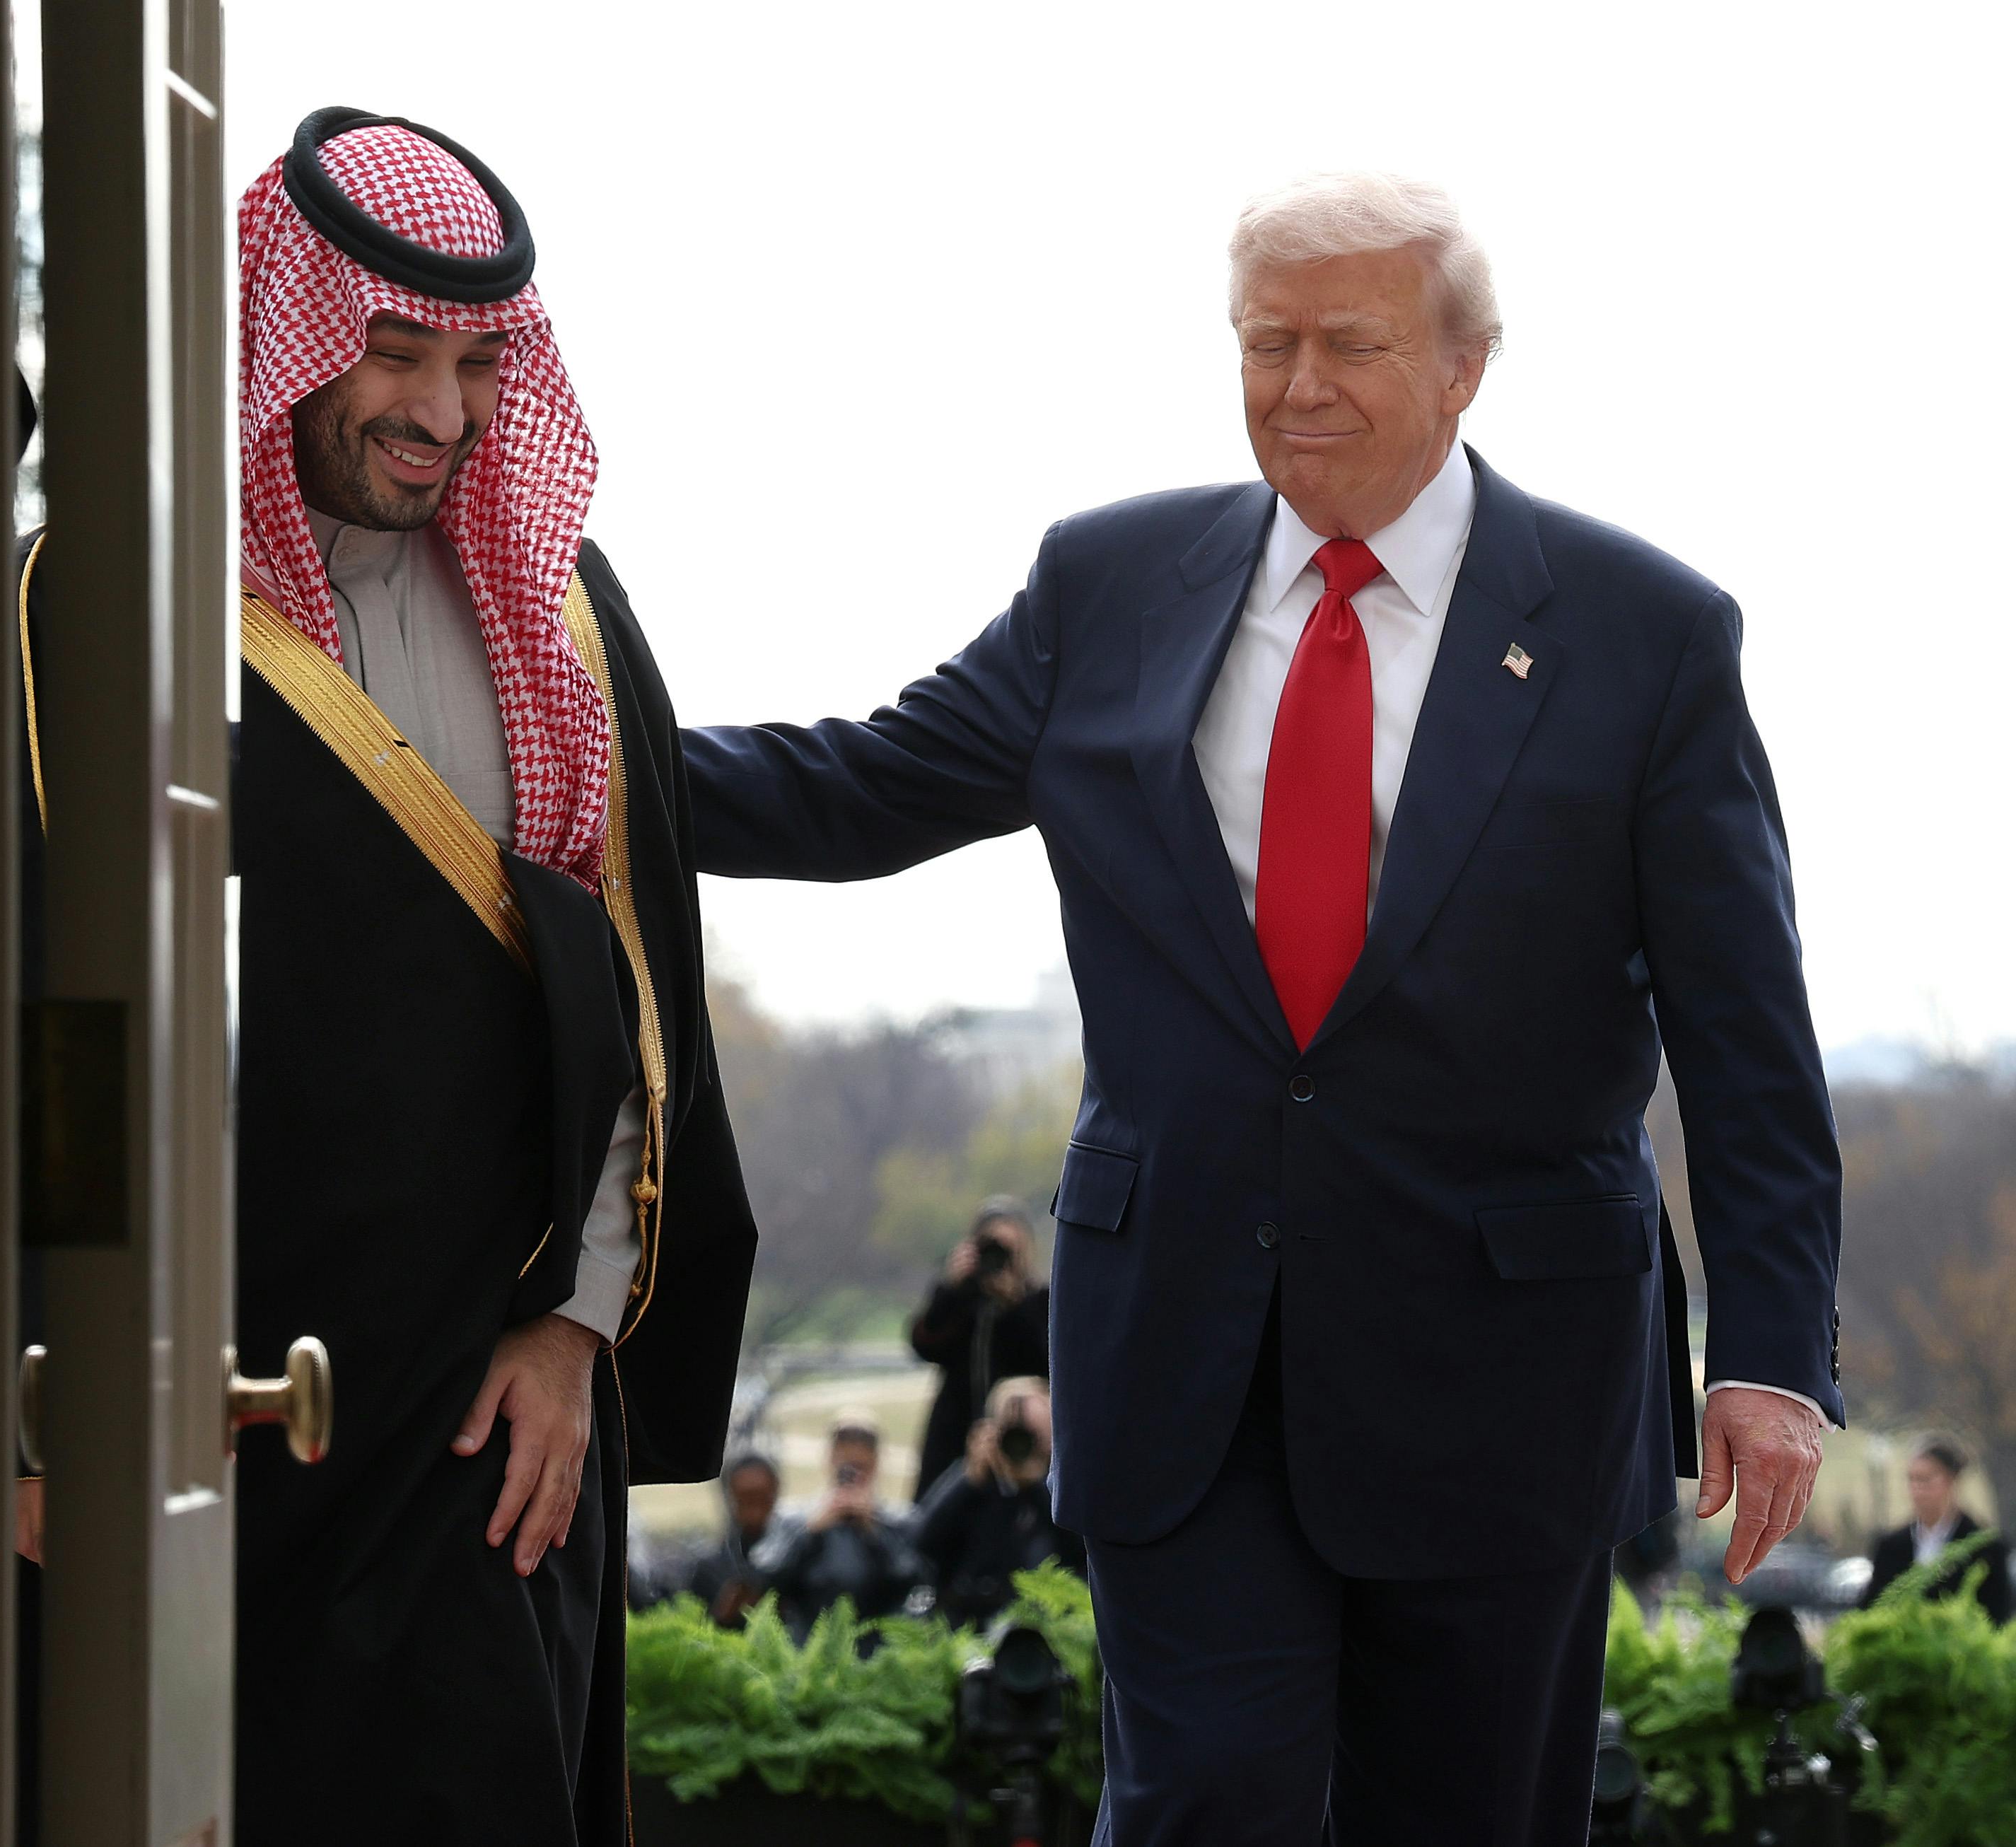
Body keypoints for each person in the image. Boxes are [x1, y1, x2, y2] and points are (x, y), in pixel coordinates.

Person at [682, 171, 1842, 1845]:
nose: (1297, 384)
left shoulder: (1640, 634)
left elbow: (1746, 1032)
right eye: (1263, 342)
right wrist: (573, 750)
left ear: (1463, 366)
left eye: (1348, 344)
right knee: (1201, 1797)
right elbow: (860, 787)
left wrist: (1770, 1357)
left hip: (1500, 1365)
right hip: (1183, 1359)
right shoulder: (1108, 583)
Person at [14, 110, 757, 1843]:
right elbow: (38, 1023)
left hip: (475, 1410)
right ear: (283, 325)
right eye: (393, 350)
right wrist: (32, 1404)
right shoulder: (91, 605)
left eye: (477, 360)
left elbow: (640, 1009)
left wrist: (577, 1324)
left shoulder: (564, 615)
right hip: (176, 1408)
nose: (441, 409)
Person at [912, 1376, 1084, 1630]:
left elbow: (1080, 1549)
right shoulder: (973, 1482)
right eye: (1018, 1434)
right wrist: (969, 1481)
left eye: (1040, 1436)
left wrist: (1038, 1485)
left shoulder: (1065, 1484)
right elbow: (921, 1542)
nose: (1027, 1446)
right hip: (971, 1623)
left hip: (1050, 1624)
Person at [909, 1197, 1051, 1493]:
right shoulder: (961, 1301)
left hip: (1022, 1436)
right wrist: (950, 1288)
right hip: (955, 1432)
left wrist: (1015, 1306)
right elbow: (924, 1345)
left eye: (1009, 1250)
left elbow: (1048, 1363)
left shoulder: (1039, 1302)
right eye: (992, 1248)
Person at [754, 1416, 926, 1636]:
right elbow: (766, 1580)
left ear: (876, 1464)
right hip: (808, 1643)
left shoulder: (899, 1520)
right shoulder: (792, 1519)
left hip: (878, 1646)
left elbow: (913, 1582)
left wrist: (874, 1532)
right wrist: (810, 1533)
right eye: (846, 1468)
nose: (854, 1476)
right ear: (831, 1459)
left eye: (861, 1467)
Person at [1860, 1438, 2010, 1623]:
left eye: (1925, 1480)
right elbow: (1869, 1608)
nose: (1917, 1490)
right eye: (1912, 1480)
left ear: (1952, 1481)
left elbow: (1997, 1616)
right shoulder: (1891, 1546)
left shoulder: (1985, 1548)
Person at [685, 1451, 797, 1627]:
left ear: (775, 1494)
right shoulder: (710, 1569)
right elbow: (694, 1633)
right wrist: (724, 1612)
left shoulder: (796, 1557)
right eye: (746, 1500)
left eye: (762, 1499)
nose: (755, 1511)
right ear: (731, 1498)